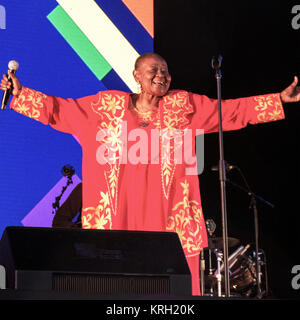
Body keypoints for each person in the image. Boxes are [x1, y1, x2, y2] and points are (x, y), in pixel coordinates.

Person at [1, 52, 300, 295]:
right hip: (117, 222)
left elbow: (232, 111)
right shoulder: (104, 107)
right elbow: (59, 110)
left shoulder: (184, 106)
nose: (161, 75)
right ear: (136, 76)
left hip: (169, 221)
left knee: (175, 292)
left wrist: (277, 101)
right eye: (153, 69)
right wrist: (21, 94)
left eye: (166, 71)